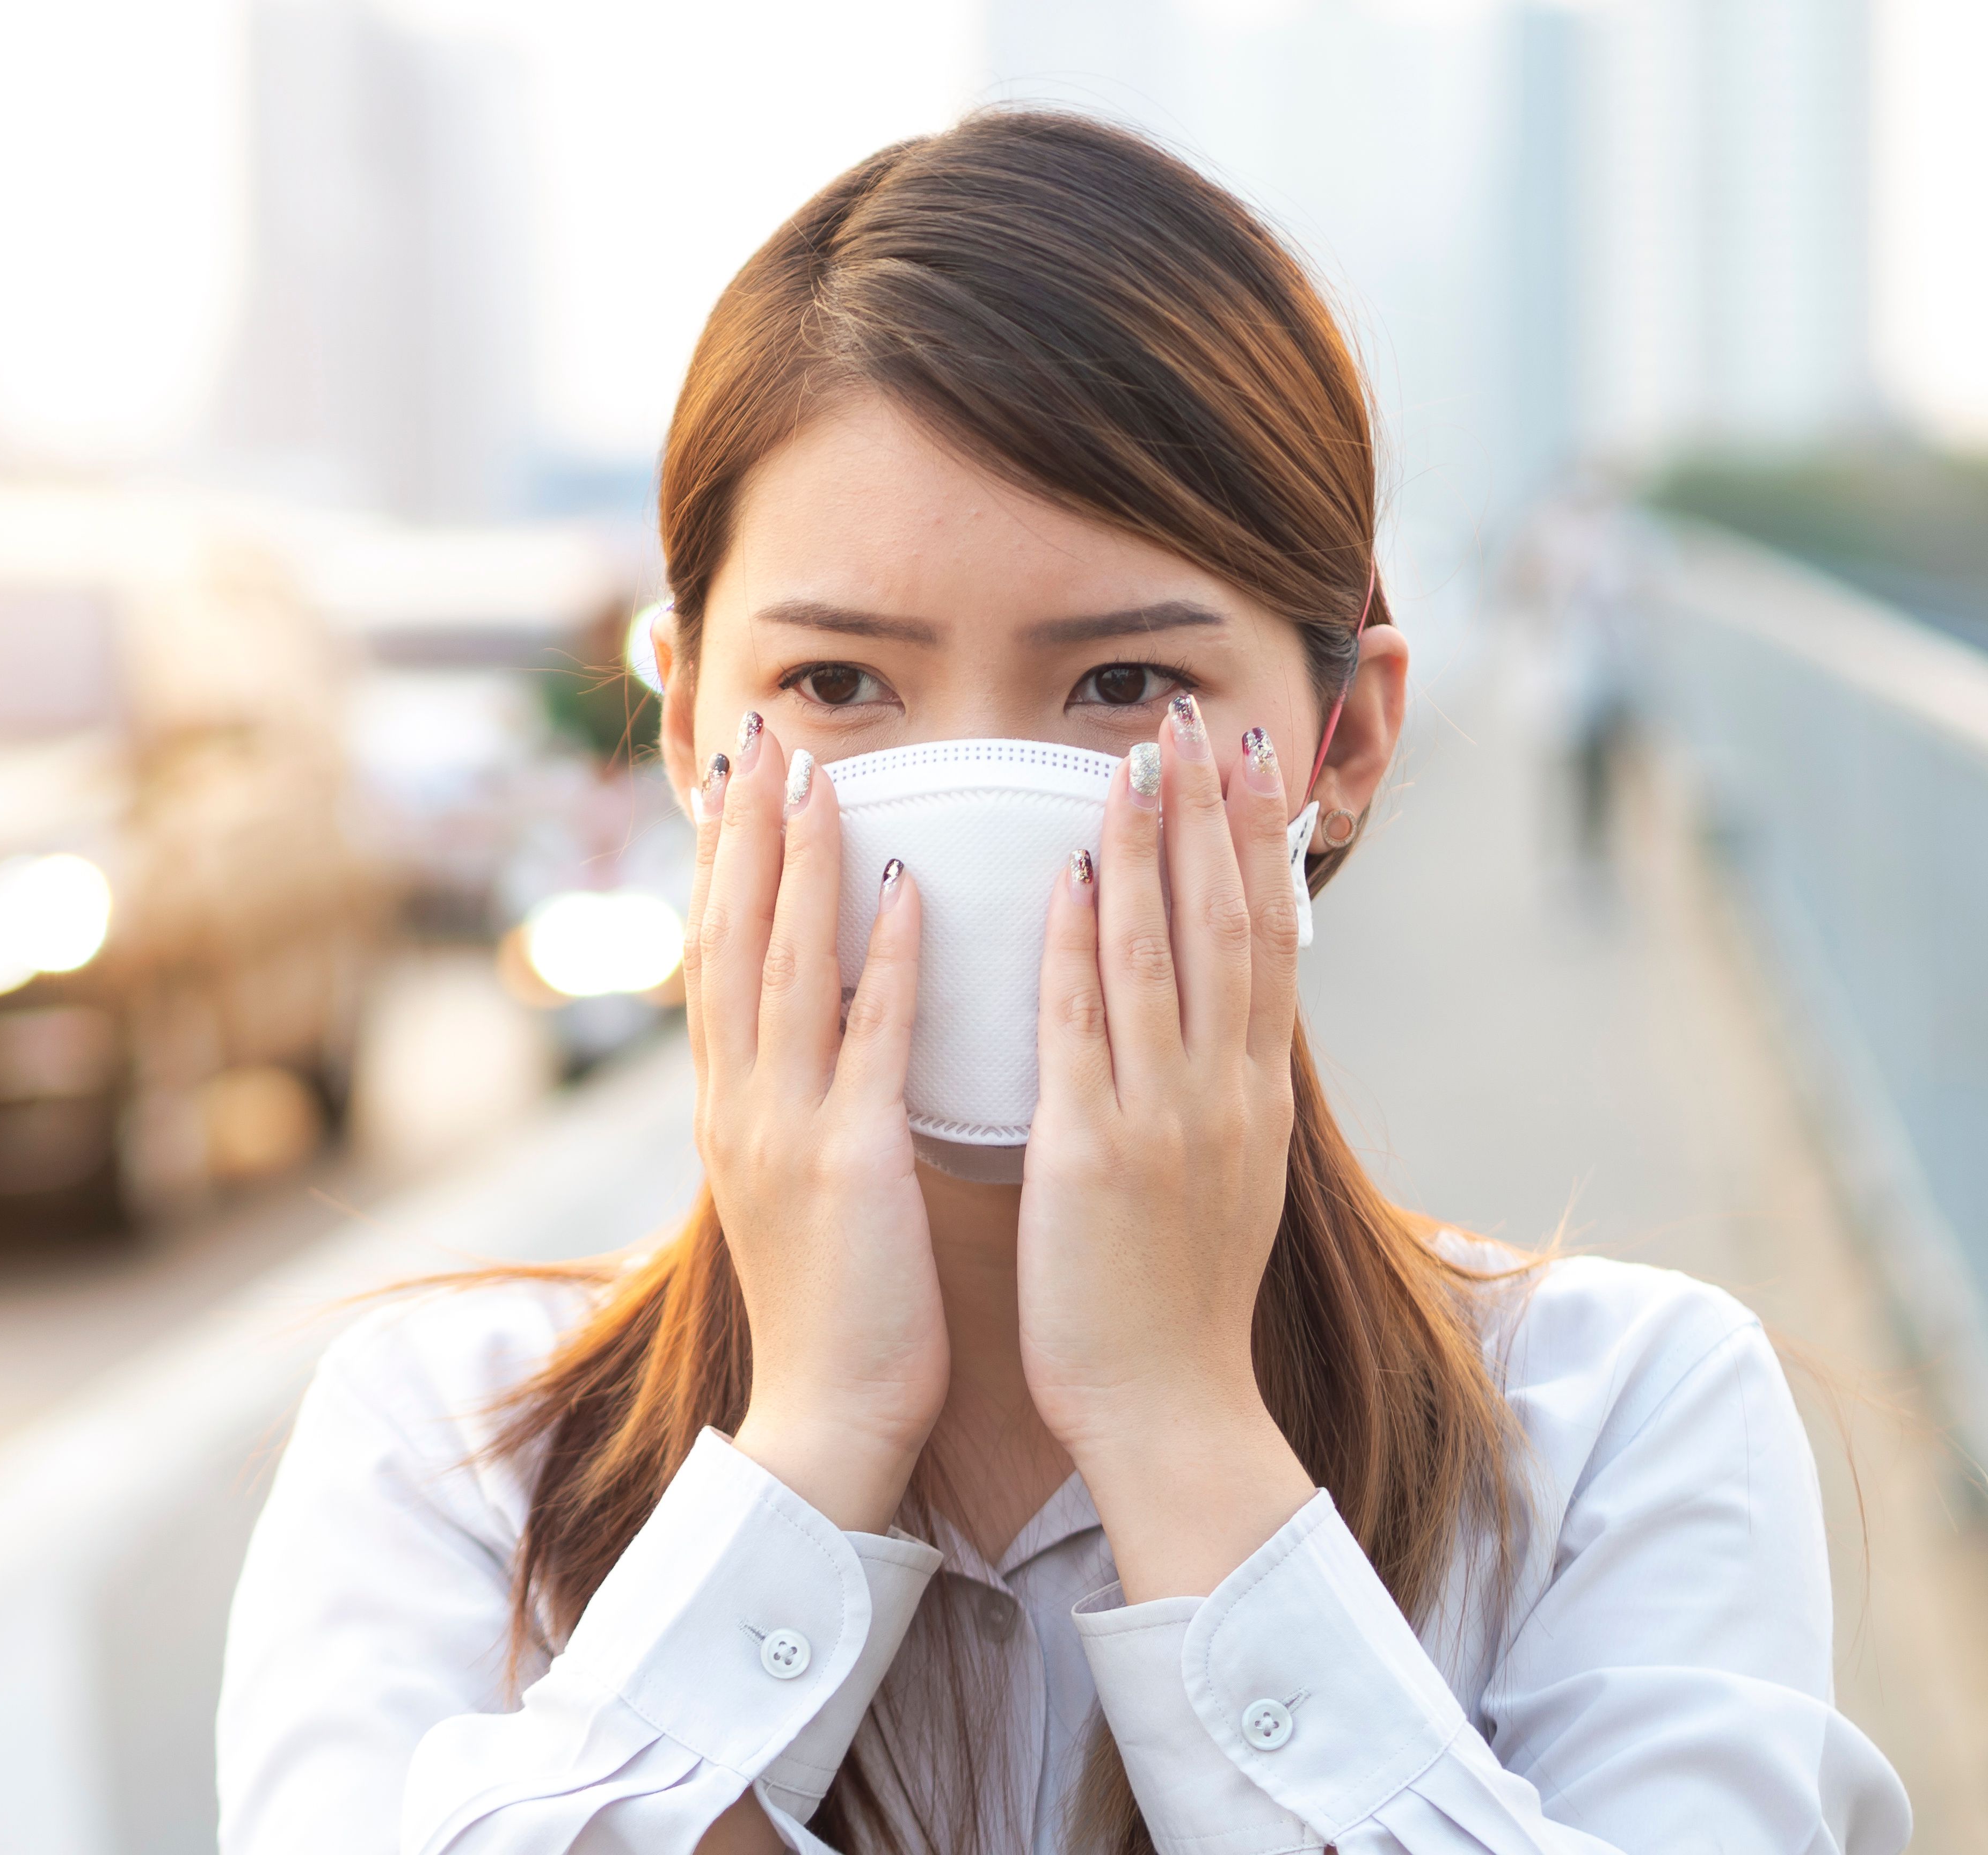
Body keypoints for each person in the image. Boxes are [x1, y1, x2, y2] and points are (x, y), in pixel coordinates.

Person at [216, 112, 1910, 1855]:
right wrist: (809, 1446)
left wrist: (1179, 1427)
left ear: (1346, 741)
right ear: (685, 724)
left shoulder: (1614, 1428)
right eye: (837, 684)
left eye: (1119, 679)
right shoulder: (453, 1448)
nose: (969, 801)